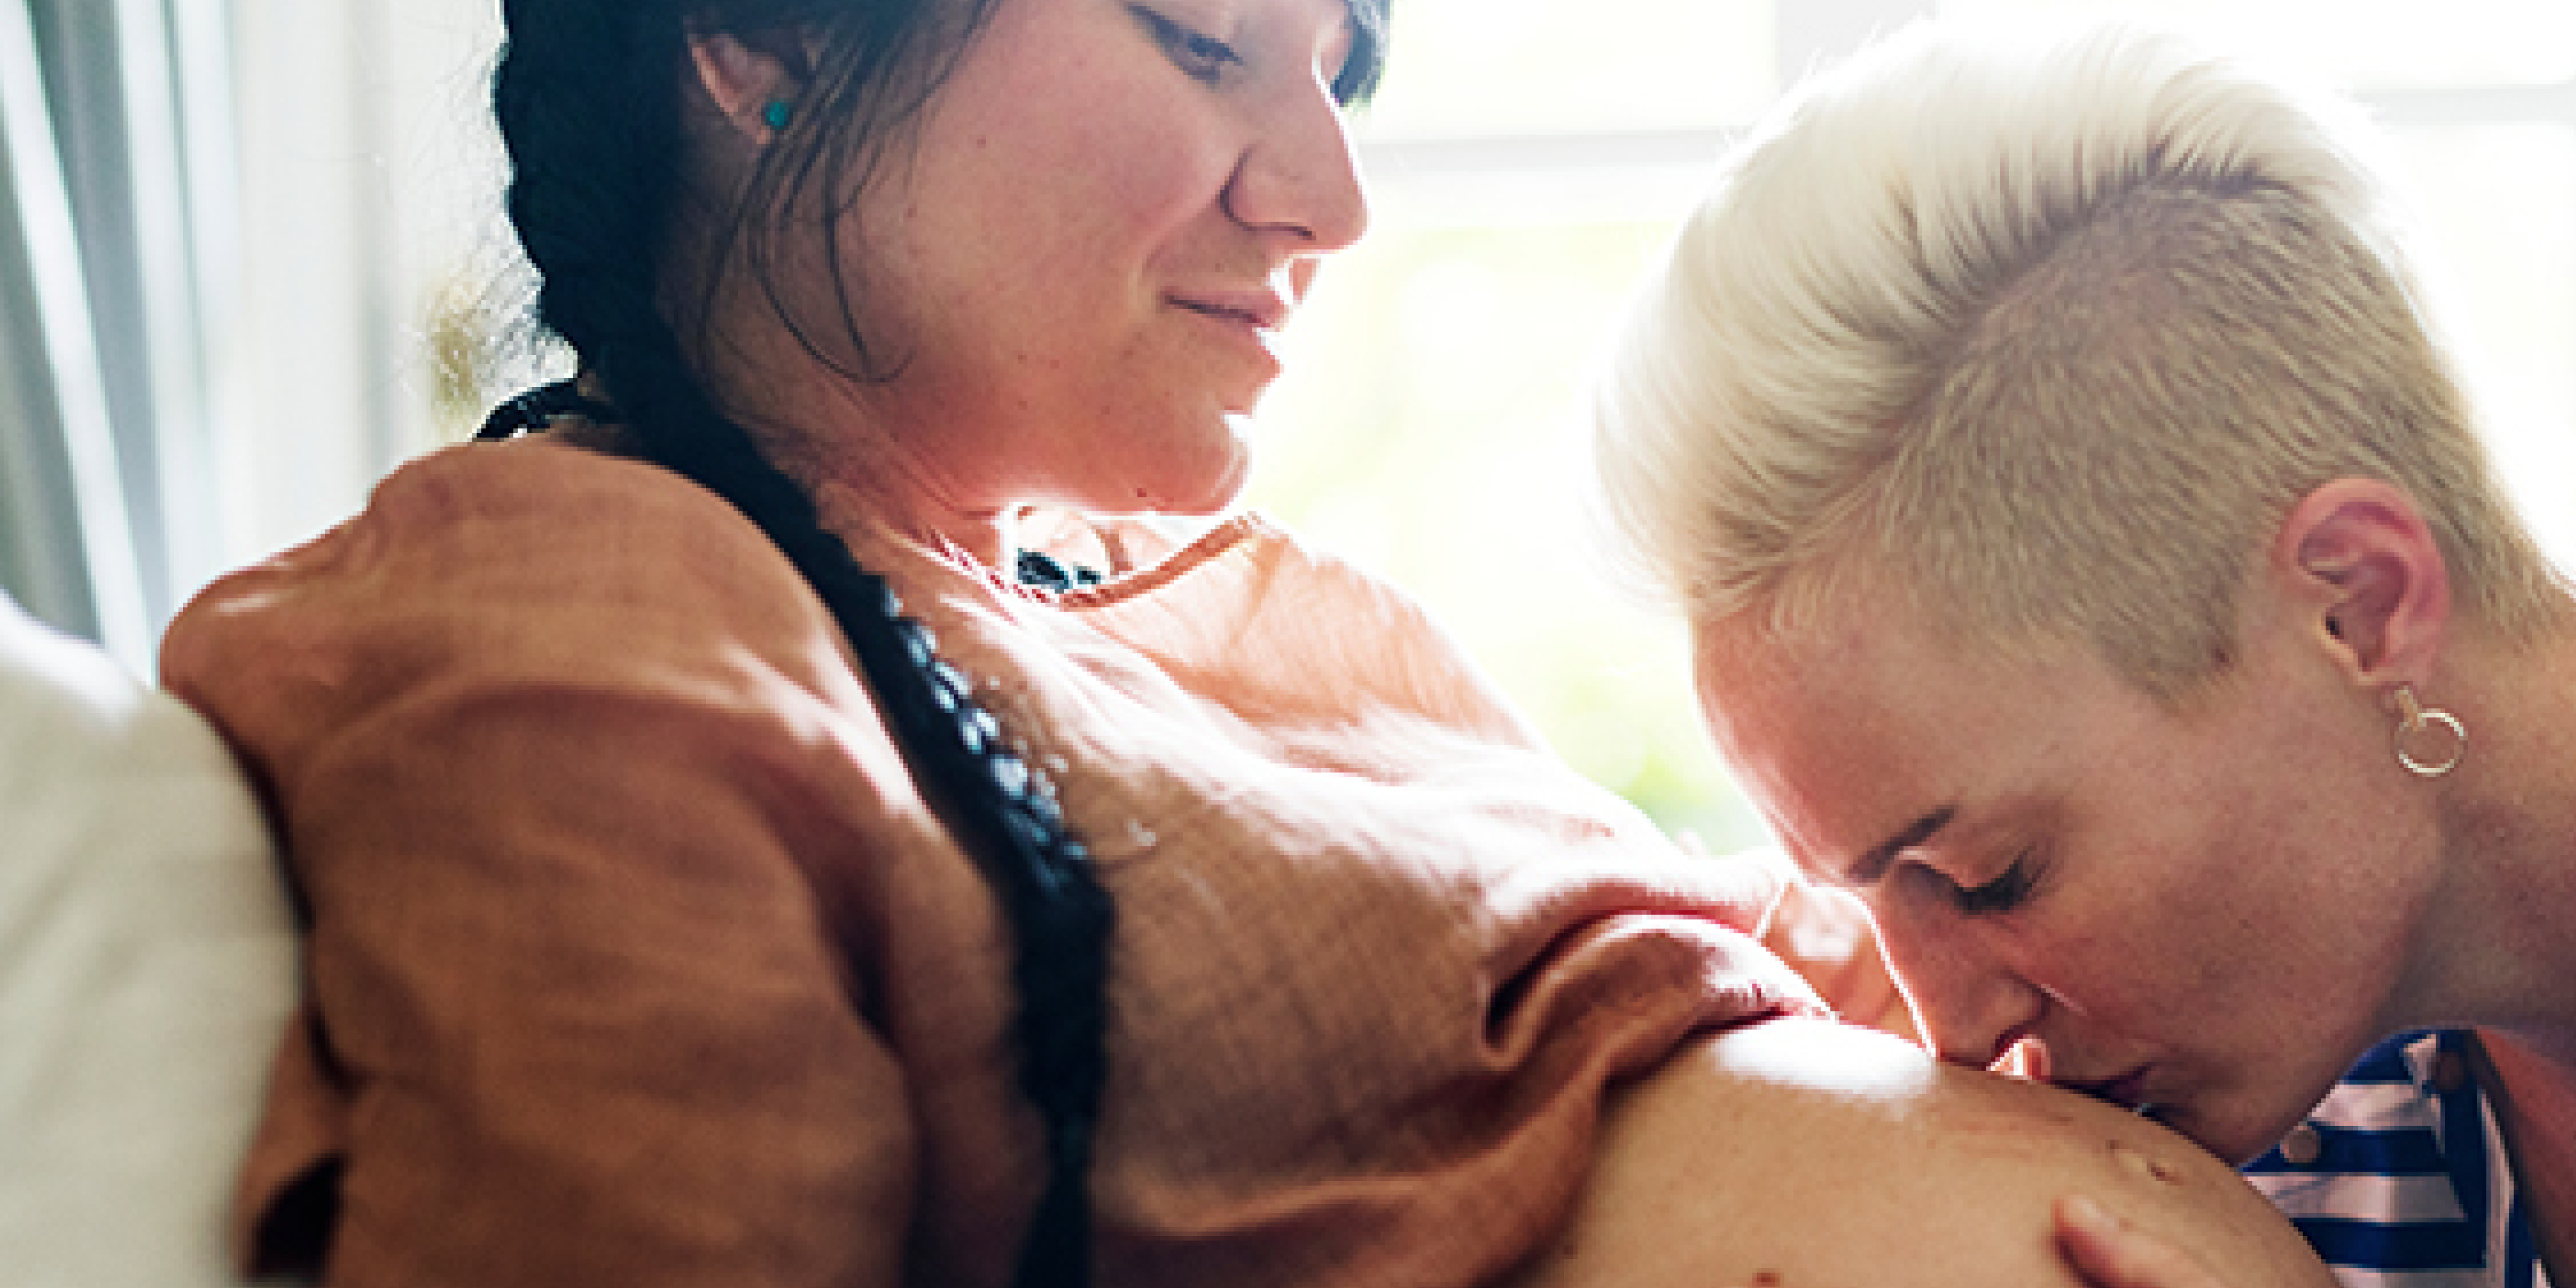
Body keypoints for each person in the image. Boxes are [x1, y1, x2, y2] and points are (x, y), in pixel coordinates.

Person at [159, 1, 2336, 1286]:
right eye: (1204, 37)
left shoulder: (1272, 629)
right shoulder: (575, 623)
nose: (1326, 191)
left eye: (1340, 64)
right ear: (768, 45)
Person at [1591, 16, 2571, 1287]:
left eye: (1993, 876)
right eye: (1873, 900)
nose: (1952, 1032)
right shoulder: (2237, 1155)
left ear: (2358, 603)